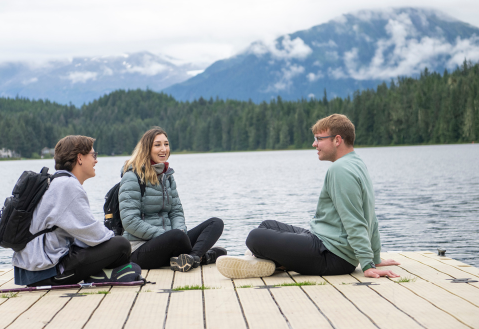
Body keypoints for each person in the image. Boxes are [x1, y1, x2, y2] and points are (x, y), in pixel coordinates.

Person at [216, 114, 400, 279]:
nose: (314, 144)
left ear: (337, 140)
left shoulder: (340, 170)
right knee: (267, 225)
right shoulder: (357, 163)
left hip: (332, 256)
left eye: (319, 139)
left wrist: (368, 264)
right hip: (325, 242)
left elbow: (355, 220)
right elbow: (371, 216)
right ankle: (270, 262)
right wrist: (375, 257)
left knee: (255, 237)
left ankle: (263, 260)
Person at [12, 135, 138, 286]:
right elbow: (93, 234)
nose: (96, 160)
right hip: (47, 271)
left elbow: (81, 234)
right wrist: (113, 238)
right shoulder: (68, 186)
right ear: (79, 158)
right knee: (122, 246)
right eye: (93, 155)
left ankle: (101, 274)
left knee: (112, 246)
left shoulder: (54, 182)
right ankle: (101, 275)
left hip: (32, 270)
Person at [118, 126, 226, 272]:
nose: (163, 149)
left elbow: (176, 212)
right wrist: (167, 235)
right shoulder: (132, 177)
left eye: (166, 144)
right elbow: (130, 222)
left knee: (215, 223)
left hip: (170, 240)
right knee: (178, 236)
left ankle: (192, 258)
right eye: (157, 145)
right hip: (140, 248)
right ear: (146, 149)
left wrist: (180, 230)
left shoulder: (166, 176)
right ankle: (202, 256)